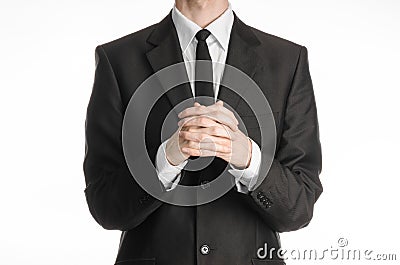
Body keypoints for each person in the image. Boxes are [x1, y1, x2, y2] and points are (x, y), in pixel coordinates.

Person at [84, 1, 323, 264]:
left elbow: (299, 208)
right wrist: (166, 160)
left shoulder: (287, 60)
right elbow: (105, 207)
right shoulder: (118, 59)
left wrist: (249, 159)